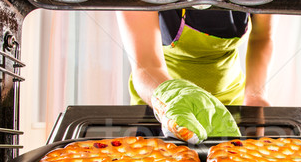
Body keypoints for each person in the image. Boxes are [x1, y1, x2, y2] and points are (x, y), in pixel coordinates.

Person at [117, 9, 274, 143]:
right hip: (162, 99)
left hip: (228, 105)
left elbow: (263, 36)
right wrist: (173, 97)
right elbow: (146, 65)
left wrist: (255, 96)